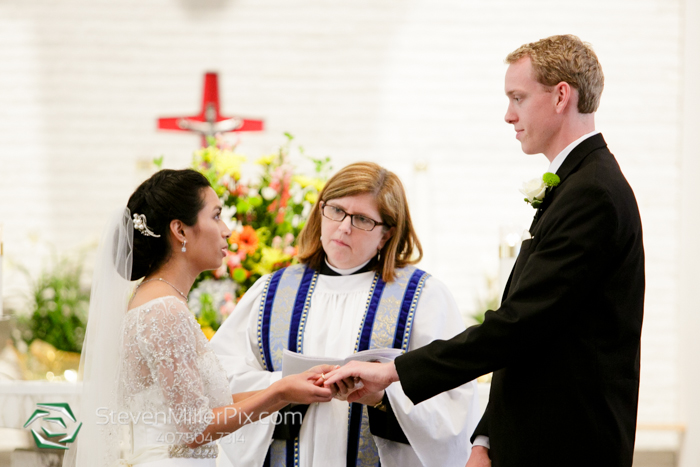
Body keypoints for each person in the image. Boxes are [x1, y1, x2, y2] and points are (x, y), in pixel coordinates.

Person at [324, 35, 645, 467]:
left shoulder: (593, 194)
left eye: (518, 97)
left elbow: (519, 325)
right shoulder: (577, 184)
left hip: (567, 444)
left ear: (561, 96)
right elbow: (534, 331)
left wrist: (395, 371)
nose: (509, 114)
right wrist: (487, 438)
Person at [210, 162, 479, 467]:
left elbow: (451, 404)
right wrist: (283, 387)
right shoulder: (272, 290)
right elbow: (218, 381)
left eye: (362, 219)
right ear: (320, 211)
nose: (344, 226)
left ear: (386, 234)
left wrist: (381, 398)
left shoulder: (423, 296)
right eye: (336, 210)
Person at [64, 169, 335, 467]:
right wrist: (280, 390)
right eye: (216, 215)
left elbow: (208, 407)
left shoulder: (157, 299)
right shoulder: (163, 310)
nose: (227, 229)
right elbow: (196, 428)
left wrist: (290, 389)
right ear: (180, 230)